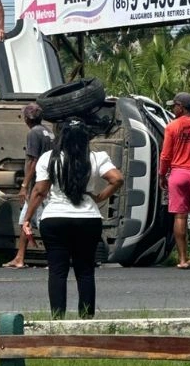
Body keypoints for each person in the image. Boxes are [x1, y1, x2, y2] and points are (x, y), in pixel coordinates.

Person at [22, 119, 124, 319]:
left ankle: (58, 318)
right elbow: (117, 179)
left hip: (55, 218)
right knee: (85, 271)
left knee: (57, 271)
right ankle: (86, 317)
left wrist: (27, 218)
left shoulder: (49, 158)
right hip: (88, 218)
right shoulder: (96, 157)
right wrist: (100, 196)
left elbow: (40, 190)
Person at [4, 102, 54, 268]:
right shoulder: (48, 131)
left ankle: (54, 257)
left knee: (43, 221)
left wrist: (25, 184)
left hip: (38, 185)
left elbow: (33, 160)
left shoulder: (34, 133)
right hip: (46, 181)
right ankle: (19, 257)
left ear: (26, 118)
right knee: (24, 220)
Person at [160, 91, 190, 269]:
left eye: (174, 106)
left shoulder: (172, 126)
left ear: (181, 107)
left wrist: (162, 174)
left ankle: (183, 259)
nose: (173, 108)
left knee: (180, 216)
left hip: (178, 174)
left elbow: (166, 155)